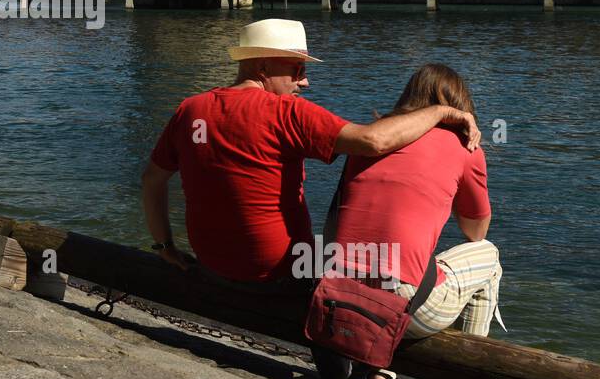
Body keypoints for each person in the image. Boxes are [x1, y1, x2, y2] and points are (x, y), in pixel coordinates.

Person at [140, 18, 480, 286]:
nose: (305, 83)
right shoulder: (286, 113)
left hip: (212, 263)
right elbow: (374, 141)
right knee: (366, 265)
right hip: (284, 272)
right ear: (262, 67)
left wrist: (164, 246)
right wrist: (441, 112)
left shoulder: (190, 109)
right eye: (297, 70)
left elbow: (153, 180)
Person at [327, 63, 499, 379]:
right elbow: (475, 231)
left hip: (338, 296)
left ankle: (381, 369)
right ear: (461, 106)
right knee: (488, 258)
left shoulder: (370, 139)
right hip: (401, 305)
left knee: (401, 261)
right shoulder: (464, 147)